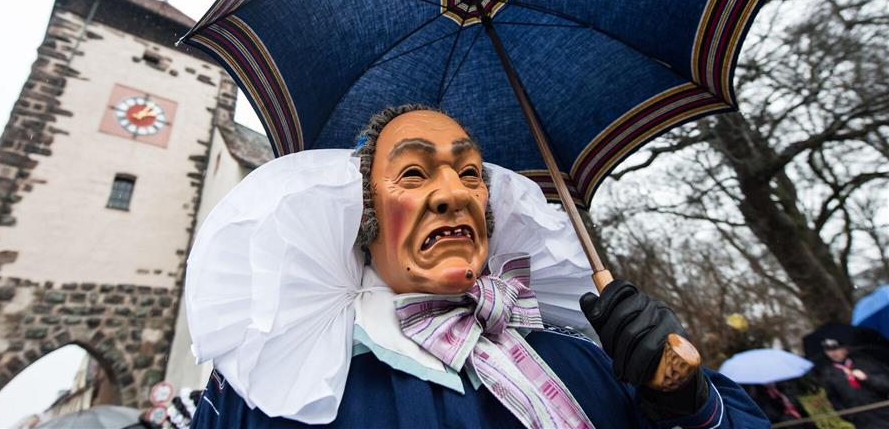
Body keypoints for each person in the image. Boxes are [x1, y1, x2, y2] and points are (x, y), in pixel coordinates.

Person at [186, 106, 768, 428]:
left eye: (470, 175)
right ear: (363, 214)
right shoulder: (277, 387)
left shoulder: (581, 358)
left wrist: (681, 401)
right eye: (413, 174)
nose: (453, 194)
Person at [816, 338, 889, 429]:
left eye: (836, 349)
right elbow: (834, 400)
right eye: (828, 350)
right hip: (862, 421)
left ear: (845, 348)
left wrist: (867, 378)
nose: (833, 353)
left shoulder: (864, 362)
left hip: (883, 412)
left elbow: (886, 384)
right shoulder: (829, 375)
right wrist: (850, 416)